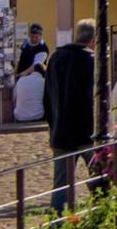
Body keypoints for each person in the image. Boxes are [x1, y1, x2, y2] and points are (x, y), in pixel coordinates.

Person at [43, 19, 97, 210]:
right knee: (100, 178)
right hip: (88, 132)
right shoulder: (92, 61)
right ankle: (103, 219)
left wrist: (52, 125)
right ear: (93, 40)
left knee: (61, 184)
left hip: (61, 130)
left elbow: (47, 96)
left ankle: (58, 226)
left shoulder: (56, 58)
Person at [11, 56, 46, 123]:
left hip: (20, 116)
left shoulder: (21, 80)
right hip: (38, 116)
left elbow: (14, 98)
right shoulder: (43, 82)